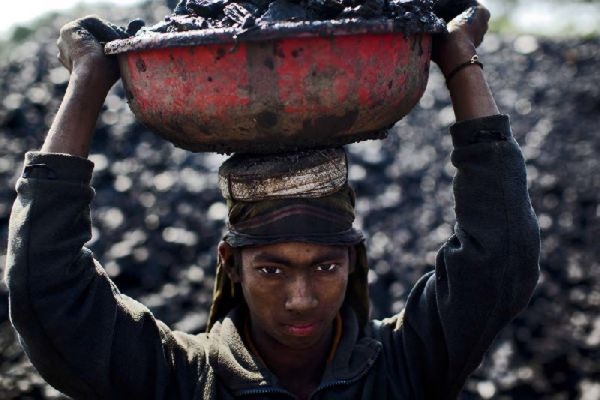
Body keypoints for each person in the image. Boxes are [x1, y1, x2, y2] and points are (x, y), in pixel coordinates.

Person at [4, 2, 540, 399]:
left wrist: (460, 63)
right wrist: (88, 80)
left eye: (326, 265)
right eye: (272, 269)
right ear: (230, 265)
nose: (302, 299)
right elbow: (44, 288)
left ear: (355, 261)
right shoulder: (178, 379)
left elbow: (501, 256)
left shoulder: (402, 367)